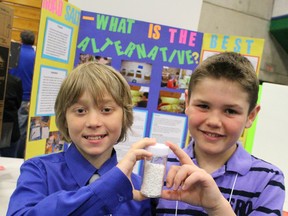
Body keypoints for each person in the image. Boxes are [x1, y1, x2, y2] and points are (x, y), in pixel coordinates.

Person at [6, 62, 157, 215]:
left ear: (125, 116)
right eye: (80, 110)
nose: (93, 122)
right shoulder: (40, 172)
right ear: (64, 118)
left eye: (106, 110)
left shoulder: (139, 188)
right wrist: (109, 187)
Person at [156, 52, 285, 215]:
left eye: (230, 111)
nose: (214, 121)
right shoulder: (161, 165)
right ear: (187, 103)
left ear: (251, 116)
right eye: (203, 106)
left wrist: (217, 206)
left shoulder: (268, 180)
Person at [9, 30, 36, 158]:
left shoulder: (15, 52)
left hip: (10, 95)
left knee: (9, 128)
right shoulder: (35, 56)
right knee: (21, 131)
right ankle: (18, 157)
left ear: (21, 39)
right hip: (26, 97)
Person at [0, 73, 23, 157]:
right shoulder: (15, 81)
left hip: (9, 125)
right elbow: (18, 104)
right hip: (9, 124)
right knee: (9, 160)